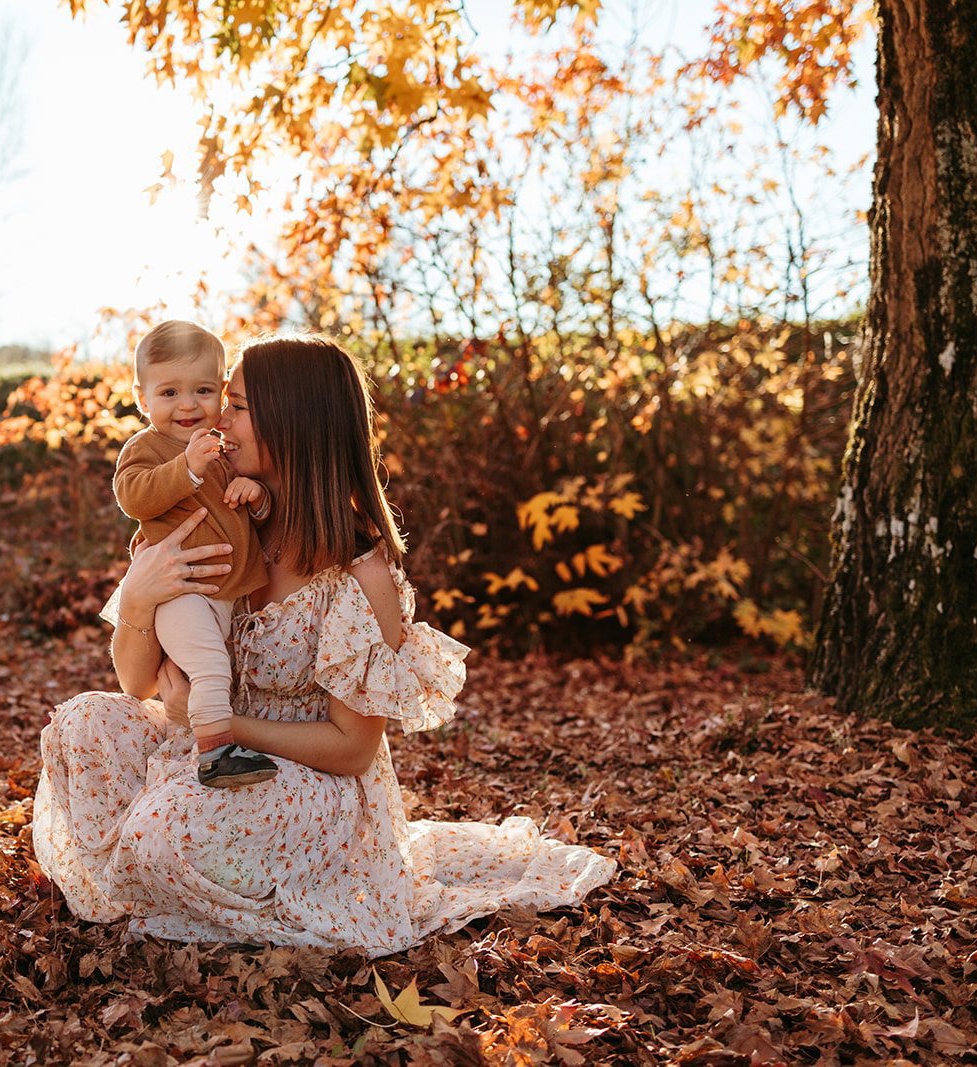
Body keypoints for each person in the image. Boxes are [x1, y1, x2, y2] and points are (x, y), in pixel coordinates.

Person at [34, 334, 616, 955]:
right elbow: (137, 684)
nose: (217, 419)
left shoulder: (359, 578)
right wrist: (142, 598)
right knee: (83, 723)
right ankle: (176, 860)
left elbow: (352, 750)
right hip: (210, 753)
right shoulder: (231, 528)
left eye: (236, 405)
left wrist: (227, 723)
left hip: (311, 784)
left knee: (161, 829)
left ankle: (189, 863)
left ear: (292, 421)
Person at [113, 321, 278, 788]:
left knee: (206, 669)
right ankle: (216, 754)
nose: (188, 405)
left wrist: (257, 496)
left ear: (222, 393)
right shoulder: (146, 447)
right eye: (169, 393)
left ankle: (194, 739)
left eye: (203, 390)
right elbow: (134, 496)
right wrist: (185, 468)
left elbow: (246, 521)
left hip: (223, 593)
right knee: (210, 666)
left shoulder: (224, 448)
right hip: (180, 592)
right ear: (143, 399)